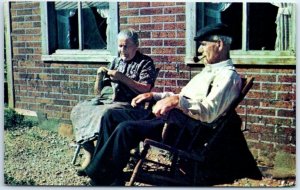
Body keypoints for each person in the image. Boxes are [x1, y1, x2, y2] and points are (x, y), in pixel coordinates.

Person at [81, 23, 262, 186]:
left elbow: (210, 112)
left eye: (204, 44)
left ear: (220, 45)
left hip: (181, 127)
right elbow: (184, 96)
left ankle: (101, 176)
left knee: (125, 129)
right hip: (168, 116)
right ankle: (106, 172)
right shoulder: (208, 71)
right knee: (110, 115)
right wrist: (154, 95)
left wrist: (177, 101)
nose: (200, 50)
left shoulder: (228, 77)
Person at [70, 28, 157, 172]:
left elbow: (146, 89)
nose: (122, 50)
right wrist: (99, 77)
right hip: (109, 100)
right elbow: (98, 92)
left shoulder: (145, 62)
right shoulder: (115, 61)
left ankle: (101, 159)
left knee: (105, 113)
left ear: (136, 46)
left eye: (126, 46)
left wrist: (122, 77)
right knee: (79, 110)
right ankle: (89, 152)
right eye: (120, 46)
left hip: (130, 104)